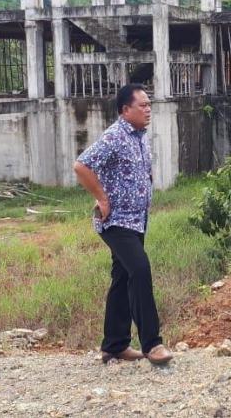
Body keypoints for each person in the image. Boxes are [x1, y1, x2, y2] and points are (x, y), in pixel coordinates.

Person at [73, 84, 173, 365]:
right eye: (142, 105)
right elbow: (82, 165)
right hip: (116, 222)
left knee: (122, 278)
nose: (148, 109)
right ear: (125, 110)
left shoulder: (140, 136)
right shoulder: (114, 136)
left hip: (136, 221)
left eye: (149, 104)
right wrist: (102, 199)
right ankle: (152, 344)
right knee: (140, 270)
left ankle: (114, 346)